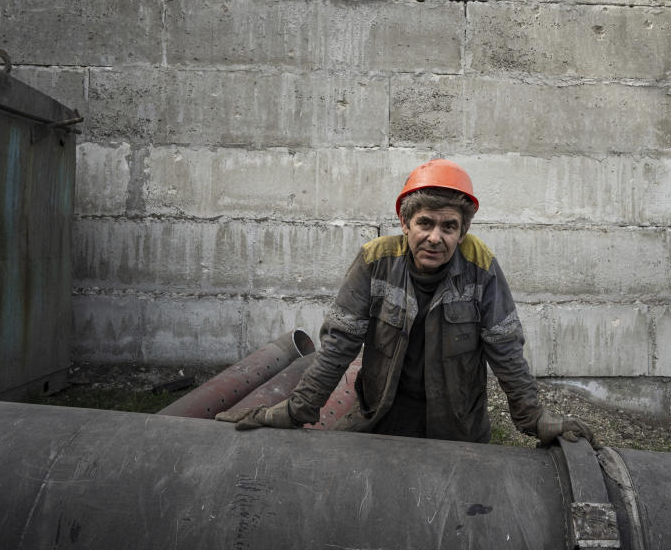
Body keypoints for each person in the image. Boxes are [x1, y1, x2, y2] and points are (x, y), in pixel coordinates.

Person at [217, 159, 596, 447]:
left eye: (449, 227)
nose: (435, 237)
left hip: (457, 423)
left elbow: (506, 349)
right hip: (383, 413)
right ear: (405, 223)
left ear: (462, 232)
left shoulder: (481, 268)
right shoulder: (374, 262)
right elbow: (338, 347)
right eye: (425, 223)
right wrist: (298, 409)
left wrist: (533, 418)